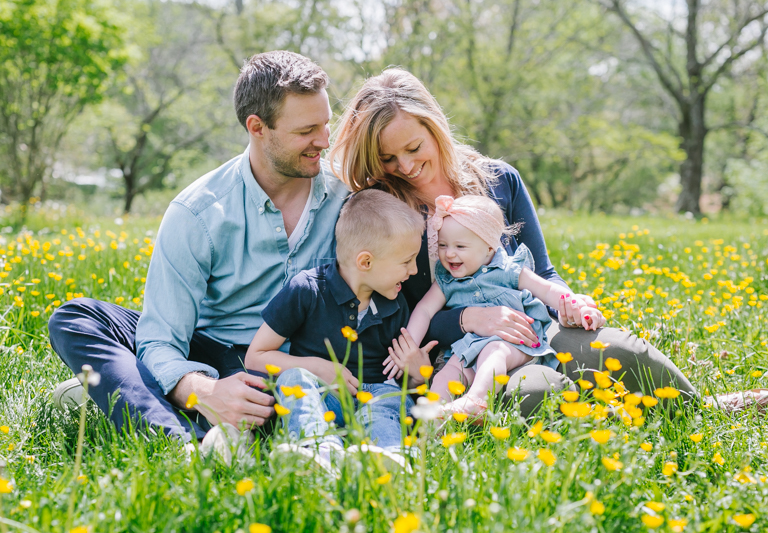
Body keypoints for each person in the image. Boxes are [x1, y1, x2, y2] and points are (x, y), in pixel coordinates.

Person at [329, 68, 698, 416]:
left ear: (435, 127)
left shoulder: (499, 179)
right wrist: (469, 318)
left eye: (413, 148)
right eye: (388, 158)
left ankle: (699, 410)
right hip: (456, 355)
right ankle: (598, 417)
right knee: (535, 392)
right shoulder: (382, 209)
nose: (405, 166)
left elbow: (542, 271)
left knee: (618, 350)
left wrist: (568, 303)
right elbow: (395, 313)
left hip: (531, 326)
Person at [47, 50, 350, 448]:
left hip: (305, 365)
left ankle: (128, 396)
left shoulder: (349, 198)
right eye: (307, 131)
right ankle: (184, 439)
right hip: (216, 352)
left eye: (326, 124)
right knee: (77, 318)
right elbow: (161, 338)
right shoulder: (200, 212)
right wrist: (205, 390)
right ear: (257, 127)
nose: (325, 141)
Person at [245, 189, 436, 466]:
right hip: (324, 400)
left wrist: (418, 377)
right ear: (366, 262)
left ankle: (388, 457)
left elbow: (400, 379)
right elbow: (256, 356)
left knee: (388, 402)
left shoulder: (396, 304)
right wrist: (319, 368)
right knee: (293, 379)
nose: (414, 271)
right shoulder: (307, 290)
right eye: (406, 262)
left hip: (375, 398)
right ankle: (317, 450)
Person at [391, 194, 605, 415]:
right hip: (469, 348)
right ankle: (433, 418)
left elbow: (547, 289)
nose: (449, 253)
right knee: (448, 372)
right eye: (443, 245)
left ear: (489, 248)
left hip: (514, 343)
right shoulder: (446, 280)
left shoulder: (509, 270)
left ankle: (477, 402)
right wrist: (410, 346)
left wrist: (576, 305)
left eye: (460, 246)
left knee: (494, 351)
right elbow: (424, 310)